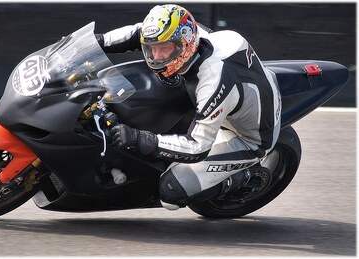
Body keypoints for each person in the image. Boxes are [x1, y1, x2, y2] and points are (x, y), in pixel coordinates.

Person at [95, 4, 281, 210]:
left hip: (247, 137)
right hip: (237, 98)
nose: (156, 57)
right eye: (152, 49)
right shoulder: (188, 34)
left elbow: (197, 147)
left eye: (164, 49)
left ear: (186, 45)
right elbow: (138, 32)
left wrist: (140, 139)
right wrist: (97, 43)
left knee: (171, 191)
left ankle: (238, 180)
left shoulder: (213, 81)